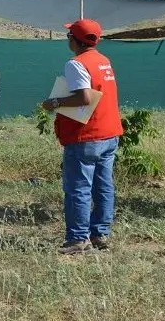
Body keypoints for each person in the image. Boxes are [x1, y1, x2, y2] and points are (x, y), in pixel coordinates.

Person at [41, 19, 124, 254]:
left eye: (69, 36)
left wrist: (54, 103)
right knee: (104, 185)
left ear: (74, 40)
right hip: (109, 133)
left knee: (78, 187)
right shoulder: (103, 61)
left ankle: (78, 240)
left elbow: (84, 98)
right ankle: (100, 234)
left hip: (86, 135)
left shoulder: (76, 64)